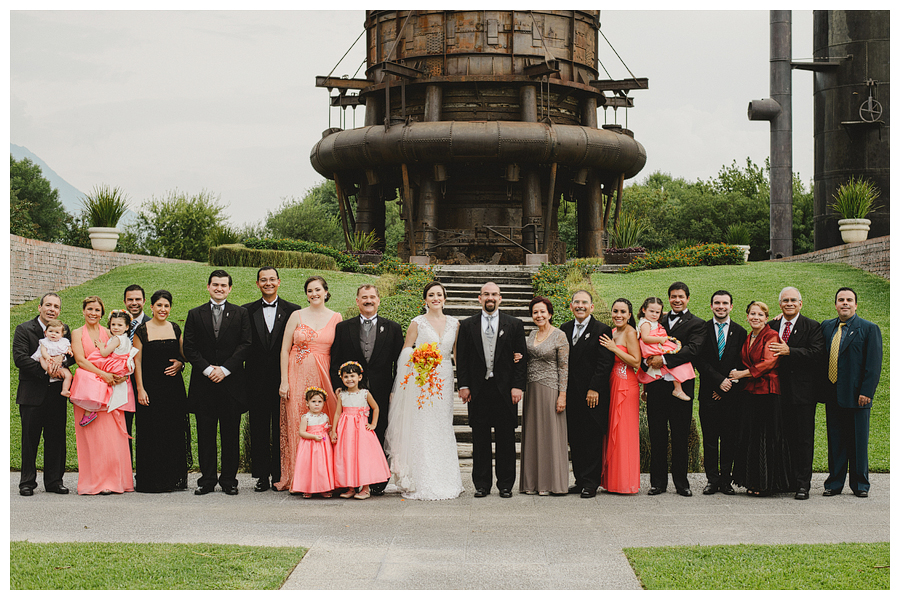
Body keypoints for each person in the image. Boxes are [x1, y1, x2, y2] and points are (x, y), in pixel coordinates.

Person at [385, 281, 464, 500]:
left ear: (445, 298)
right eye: (431, 295)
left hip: (445, 378)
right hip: (422, 378)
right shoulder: (417, 323)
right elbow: (405, 351)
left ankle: (446, 478)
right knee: (423, 425)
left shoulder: (455, 324)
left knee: (442, 424)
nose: (435, 298)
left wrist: (463, 382)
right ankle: (421, 478)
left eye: (439, 294)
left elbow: (457, 354)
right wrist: (419, 358)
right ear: (425, 299)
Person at [330, 284, 403, 496]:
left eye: (372, 297)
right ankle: (353, 480)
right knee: (352, 438)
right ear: (357, 301)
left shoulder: (393, 328)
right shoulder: (344, 328)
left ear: (378, 300)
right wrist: (338, 387)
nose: (368, 300)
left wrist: (395, 389)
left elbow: (399, 362)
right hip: (351, 393)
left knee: (378, 431)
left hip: (382, 390)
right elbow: (335, 360)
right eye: (364, 297)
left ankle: (377, 480)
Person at [184, 270, 252, 496]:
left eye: (223, 285)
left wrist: (224, 369)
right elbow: (189, 347)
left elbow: (246, 344)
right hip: (204, 385)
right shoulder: (195, 314)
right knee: (206, 435)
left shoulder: (241, 313)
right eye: (215, 284)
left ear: (230, 289)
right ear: (208, 286)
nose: (219, 288)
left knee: (230, 435)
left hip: (231, 384)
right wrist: (207, 369)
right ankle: (207, 480)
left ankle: (229, 480)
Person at [457, 281, 527, 499]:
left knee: (506, 439)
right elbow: (462, 358)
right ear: (480, 298)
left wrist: (517, 386)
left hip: (505, 391)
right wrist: (463, 385)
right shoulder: (467, 325)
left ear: (500, 298)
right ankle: (481, 484)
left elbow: (521, 359)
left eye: (494, 294)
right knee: (480, 439)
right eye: (486, 294)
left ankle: (505, 485)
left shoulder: (514, 324)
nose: (490, 298)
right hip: (478, 390)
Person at [275, 275, 341, 491]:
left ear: (326, 292)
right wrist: (284, 381)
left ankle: (325, 479)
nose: (314, 294)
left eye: (317, 290)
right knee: (298, 423)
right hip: (297, 375)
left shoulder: (336, 317)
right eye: (310, 291)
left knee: (324, 424)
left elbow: (339, 351)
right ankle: (298, 479)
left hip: (323, 376)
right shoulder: (296, 315)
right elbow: (284, 349)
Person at [68, 296, 134, 495]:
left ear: (102, 314)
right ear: (83, 311)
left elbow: (121, 355)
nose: (93, 313)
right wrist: (104, 374)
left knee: (111, 439)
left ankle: (114, 481)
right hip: (89, 391)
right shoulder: (77, 333)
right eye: (89, 309)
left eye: (97, 310)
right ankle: (93, 482)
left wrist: (121, 374)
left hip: (110, 390)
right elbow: (80, 360)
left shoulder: (110, 332)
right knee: (92, 440)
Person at [643, 282, 705, 497]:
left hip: (682, 387)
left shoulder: (697, 323)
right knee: (656, 434)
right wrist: (647, 363)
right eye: (673, 296)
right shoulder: (656, 318)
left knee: (680, 435)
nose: (677, 300)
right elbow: (643, 343)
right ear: (668, 298)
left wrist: (664, 360)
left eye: (681, 296)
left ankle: (681, 483)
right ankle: (657, 483)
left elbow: (693, 350)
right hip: (656, 386)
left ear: (688, 298)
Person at [243, 267, 300, 492]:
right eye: (263, 280)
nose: (268, 283)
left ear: (279, 282)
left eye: (272, 279)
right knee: (258, 428)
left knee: (281, 427)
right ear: (257, 283)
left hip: (283, 379)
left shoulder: (293, 311)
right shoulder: (246, 311)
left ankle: (280, 474)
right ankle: (261, 476)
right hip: (255, 379)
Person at [821, 287, 882, 498]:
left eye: (849, 300)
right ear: (835, 304)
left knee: (858, 442)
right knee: (836, 442)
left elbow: (873, 364)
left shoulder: (869, 329)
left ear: (856, 304)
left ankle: (860, 485)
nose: (845, 303)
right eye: (841, 300)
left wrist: (867, 391)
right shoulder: (827, 327)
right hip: (833, 395)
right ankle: (834, 483)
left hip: (858, 396)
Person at [729, 301, 792, 496]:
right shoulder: (750, 336)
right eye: (752, 314)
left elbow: (768, 363)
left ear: (766, 318)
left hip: (768, 392)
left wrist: (742, 374)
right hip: (751, 392)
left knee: (766, 437)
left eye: (760, 314)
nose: (755, 317)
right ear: (747, 316)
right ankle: (753, 481)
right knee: (752, 437)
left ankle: (767, 484)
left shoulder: (771, 335)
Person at [768, 287, 824, 500]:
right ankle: (784, 481)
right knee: (780, 437)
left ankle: (802, 484)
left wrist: (790, 351)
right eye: (785, 301)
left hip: (803, 394)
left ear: (800, 303)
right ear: (779, 304)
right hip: (776, 392)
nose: (789, 303)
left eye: (793, 300)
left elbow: (817, 353)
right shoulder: (772, 326)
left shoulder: (812, 326)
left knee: (803, 439)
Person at [13, 293, 73, 496]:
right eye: (48, 305)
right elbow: (20, 358)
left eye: (56, 306)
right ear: (40, 307)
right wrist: (47, 371)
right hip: (32, 393)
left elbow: (71, 356)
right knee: (30, 440)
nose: (51, 309)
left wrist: (61, 363)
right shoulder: (24, 329)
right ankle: (27, 482)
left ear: (59, 311)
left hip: (57, 393)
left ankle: (54, 481)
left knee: (56, 438)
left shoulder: (63, 329)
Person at [133, 289, 191, 493]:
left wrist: (181, 363)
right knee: (151, 433)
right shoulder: (142, 331)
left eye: (166, 306)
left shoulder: (175, 328)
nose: (163, 309)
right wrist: (140, 389)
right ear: (151, 307)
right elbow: (137, 362)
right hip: (150, 388)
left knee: (172, 431)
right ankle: (152, 480)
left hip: (172, 390)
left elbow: (185, 354)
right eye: (159, 305)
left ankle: (171, 479)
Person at [560, 290, 614, 498]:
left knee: (591, 437)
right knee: (575, 437)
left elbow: (604, 363)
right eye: (576, 302)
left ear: (591, 307)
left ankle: (591, 482)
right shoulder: (564, 329)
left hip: (592, 394)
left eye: (584, 302)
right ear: (571, 306)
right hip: (571, 393)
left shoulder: (602, 329)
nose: (580, 305)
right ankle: (580, 479)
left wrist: (595, 388)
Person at [696, 290, 747, 495]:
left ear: (731, 306)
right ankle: (712, 479)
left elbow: (741, 363)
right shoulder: (702, 329)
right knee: (710, 439)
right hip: (708, 393)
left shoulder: (740, 332)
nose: (721, 306)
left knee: (728, 439)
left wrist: (726, 387)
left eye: (725, 303)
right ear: (711, 306)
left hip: (731, 396)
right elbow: (699, 360)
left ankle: (726, 480)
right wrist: (718, 383)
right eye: (717, 303)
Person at [519, 297, 569, 496]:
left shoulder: (560, 336)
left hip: (551, 389)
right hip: (531, 390)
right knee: (533, 435)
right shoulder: (531, 335)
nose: (539, 315)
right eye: (535, 312)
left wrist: (562, 395)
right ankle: (532, 483)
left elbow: (564, 367)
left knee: (550, 435)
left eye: (542, 312)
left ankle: (551, 483)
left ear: (550, 313)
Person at [598, 298, 641, 494]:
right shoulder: (613, 332)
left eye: (623, 312)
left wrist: (614, 348)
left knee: (623, 433)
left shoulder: (630, 332)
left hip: (625, 386)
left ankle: (625, 482)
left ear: (629, 315)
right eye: (615, 311)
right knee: (612, 432)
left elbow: (636, 362)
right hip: (612, 384)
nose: (618, 315)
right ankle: (612, 481)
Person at [332, 361, 391, 500]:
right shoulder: (342, 395)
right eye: (346, 377)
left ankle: (365, 488)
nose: (349, 379)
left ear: (359, 377)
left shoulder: (365, 393)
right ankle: (351, 487)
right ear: (342, 378)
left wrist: (373, 424)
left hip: (361, 431)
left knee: (362, 456)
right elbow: (337, 413)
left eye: (352, 376)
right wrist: (334, 430)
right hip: (346, 430)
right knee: (348, 456)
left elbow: (376, 408)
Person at [636, 297, 694, 401]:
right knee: (672, 359)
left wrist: (666, 314)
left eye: (657, 312)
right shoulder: (646, 323)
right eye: (651, 311)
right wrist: (660, 339)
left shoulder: (650, 320)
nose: (654, 315)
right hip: (652, 345)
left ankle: (645, 391)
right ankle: (677, 388)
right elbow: (645, 338)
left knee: (661, 366)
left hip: (655, 344)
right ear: (644, 310)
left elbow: (659, 314)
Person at [290, 388, 336, 499]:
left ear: (323, 403)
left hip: (323, 446)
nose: (316, 404)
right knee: (309, 467)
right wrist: (313, 437)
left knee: (322, 466)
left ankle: (323, 488)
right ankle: (307, 488)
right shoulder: (306, 418)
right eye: (313, 401)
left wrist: (331, 435)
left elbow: (328, 429)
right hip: (309, 446)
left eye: (319, 402)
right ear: (307, 403)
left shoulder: (325, 417)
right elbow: (302, 432)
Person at [124, 284, 150, 456]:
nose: (134, 303)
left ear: (144, 301)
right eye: (130, 299)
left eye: (137, 299)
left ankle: (145, 469)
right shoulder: (116, 324)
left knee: (146, 428)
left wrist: (180, 362)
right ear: (125, 302)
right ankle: (125, 468)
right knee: (123, 429)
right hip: (122, 384)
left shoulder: (152, 324)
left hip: (146, 384)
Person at [31, 319, 73, 398]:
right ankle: (49, 370)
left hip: (60, 365)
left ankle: (65, 390)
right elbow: (43, 351)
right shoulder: (44, 342)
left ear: (61, 334)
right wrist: (47, 357)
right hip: (48, 359)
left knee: (69, 375)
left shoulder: (64, 341)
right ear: (45, 332)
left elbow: (69, 348)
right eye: (50, 331)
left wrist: (69, 351)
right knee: (42, 359)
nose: (53, 334)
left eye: (57, 332)